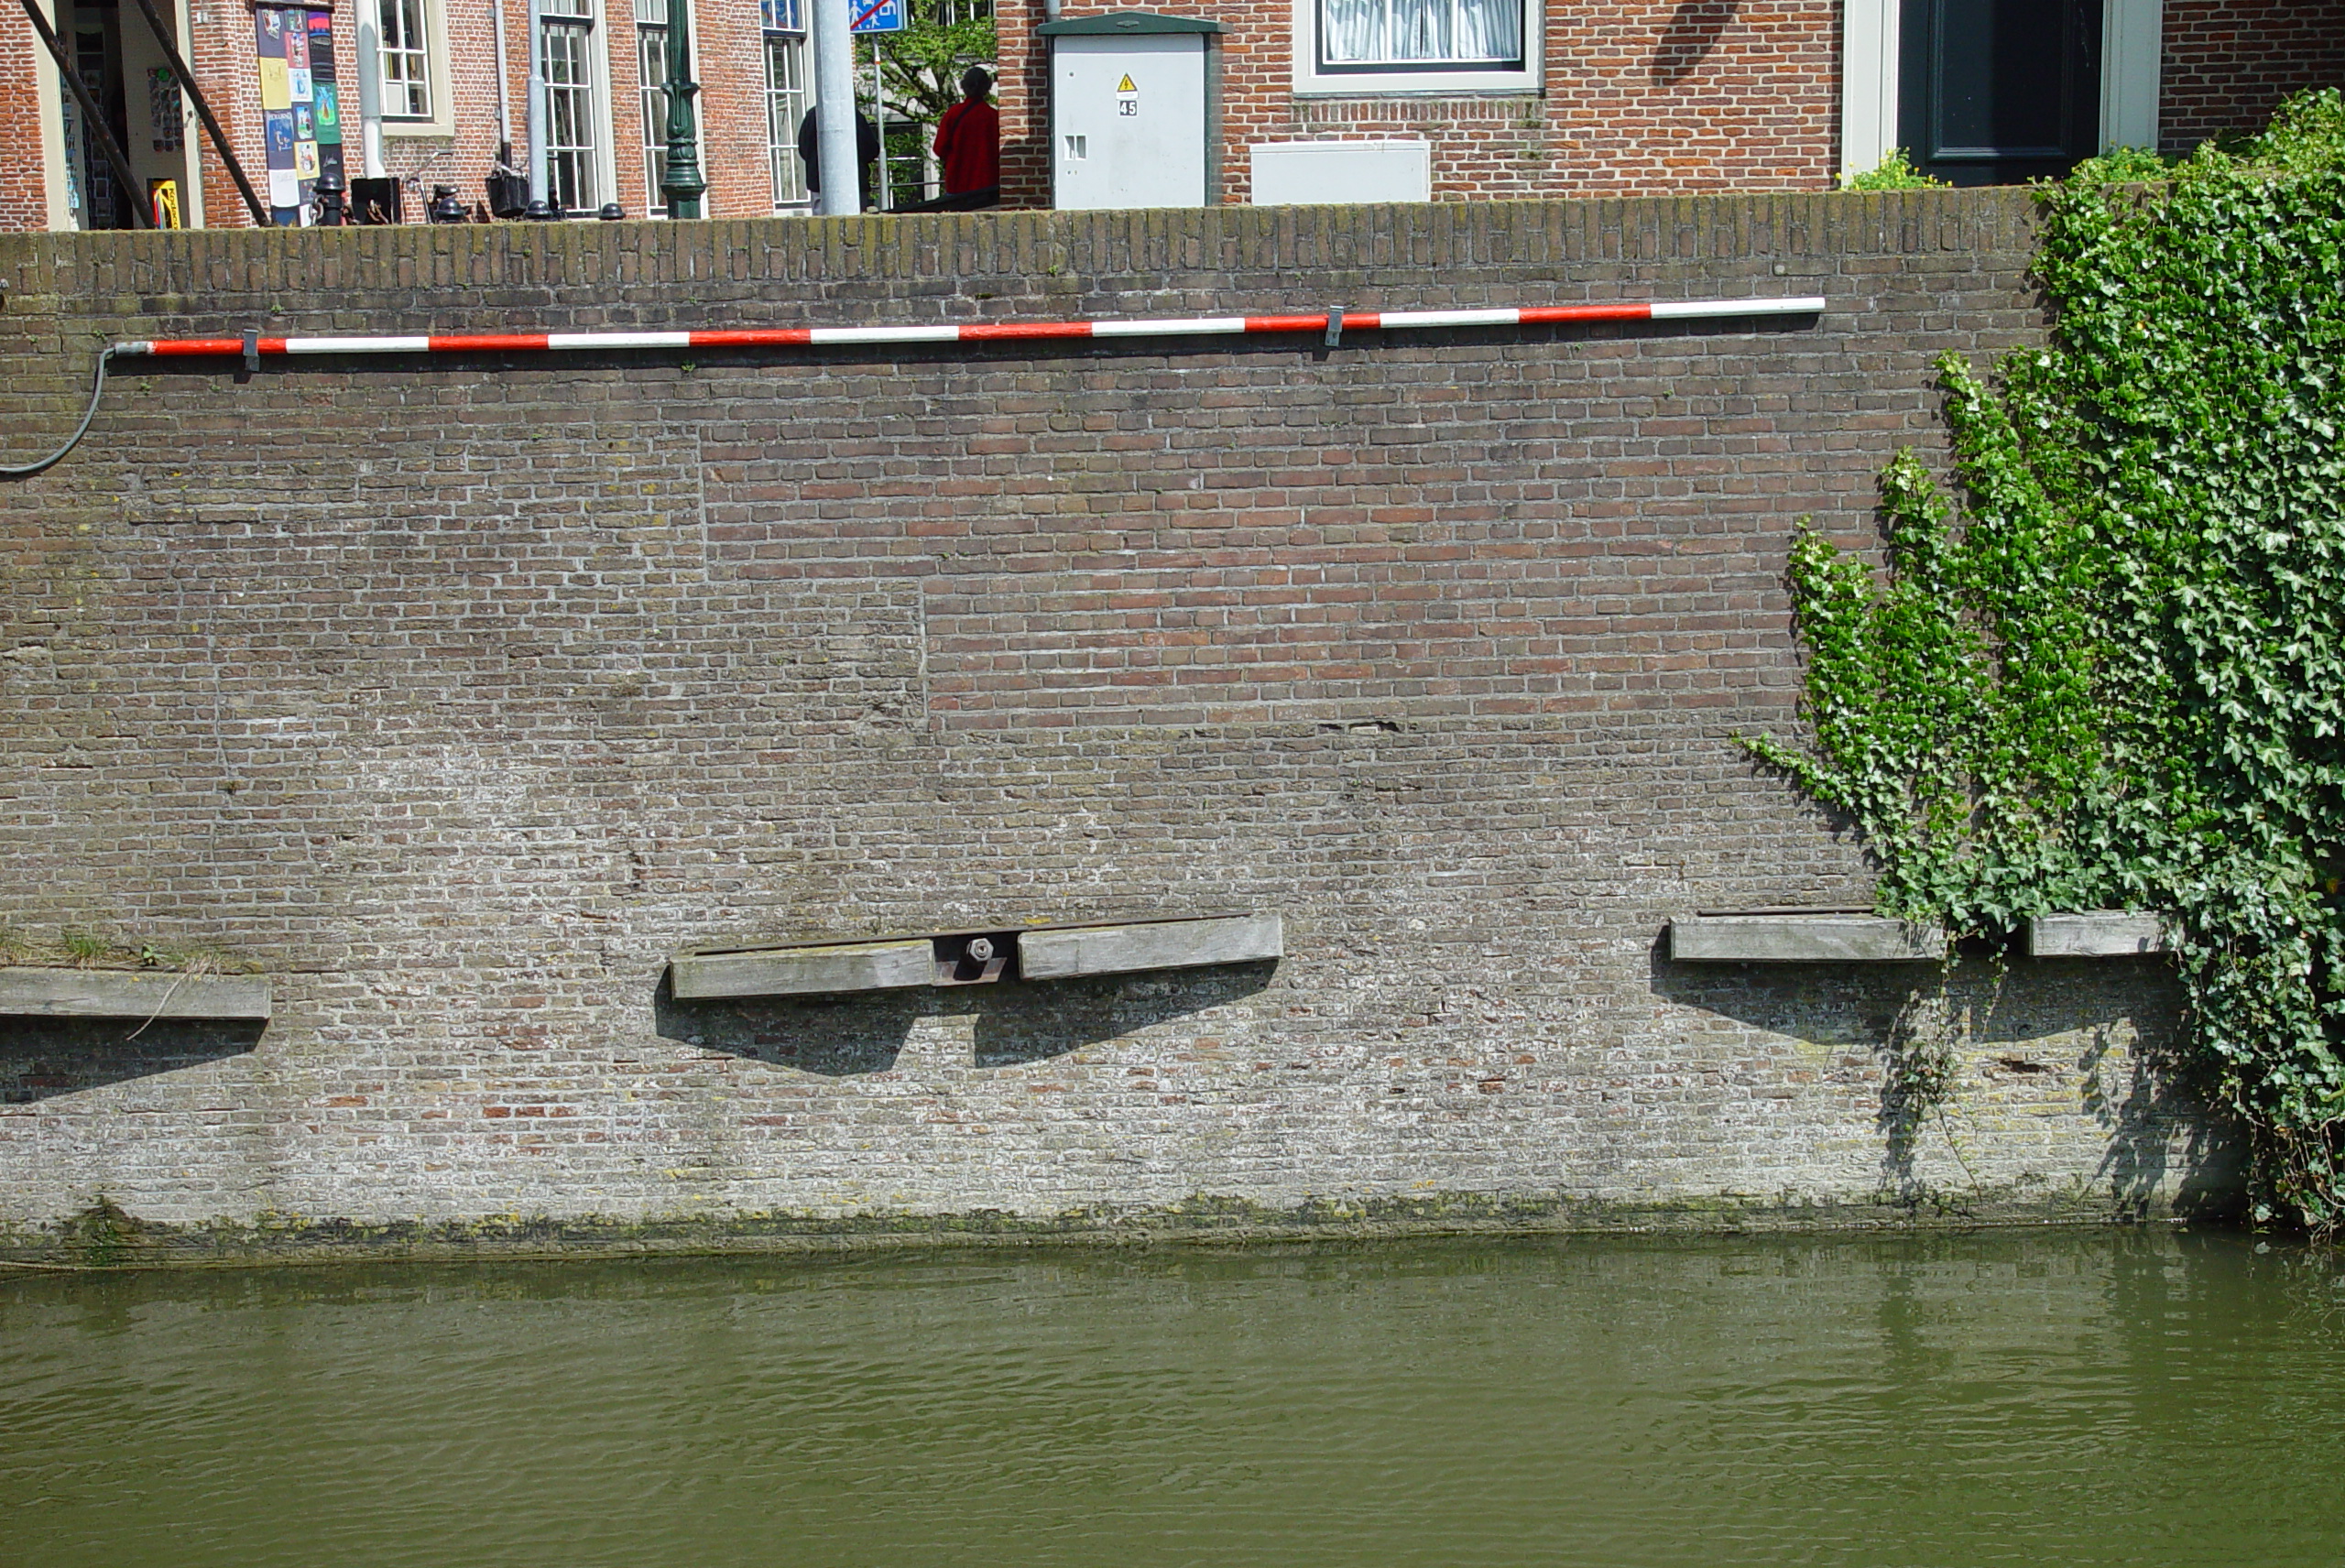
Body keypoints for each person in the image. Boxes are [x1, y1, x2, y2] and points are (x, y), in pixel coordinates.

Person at [796, 106, 882, 210]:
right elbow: (870, 149)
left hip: (819, 185)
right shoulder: (853, 115)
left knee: (821, 223)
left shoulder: (812, 116)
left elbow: (803, 149)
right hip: (854, 185)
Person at [932, 67, 999, 198]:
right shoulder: (993, 116)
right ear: (986, 88)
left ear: (964, 87)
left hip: (957, 183)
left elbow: (939, 148)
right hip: (988, 184)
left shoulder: (953, 114)